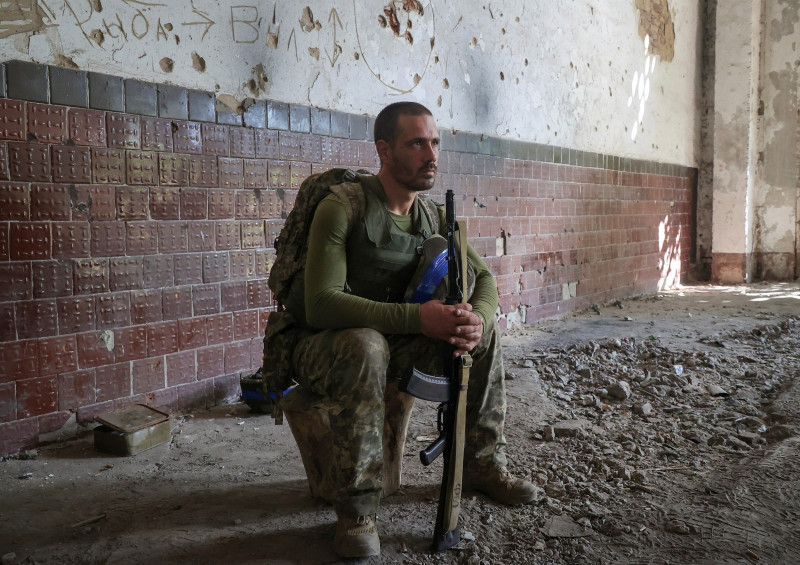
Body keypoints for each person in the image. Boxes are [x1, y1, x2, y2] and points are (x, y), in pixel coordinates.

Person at [282, 101, 538, 558]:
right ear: (385, 150)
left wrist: (476, 319)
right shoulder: (344, 207)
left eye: (434, 142)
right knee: (366, 345)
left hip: (392, 344)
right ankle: (358, 510)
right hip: (321, 344)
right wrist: (419, 319)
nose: (431, 154)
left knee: (480, 333)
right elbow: (321, 305)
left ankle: (481, 462)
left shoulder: (433, 217)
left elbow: (484, 279)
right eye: (417, 143)